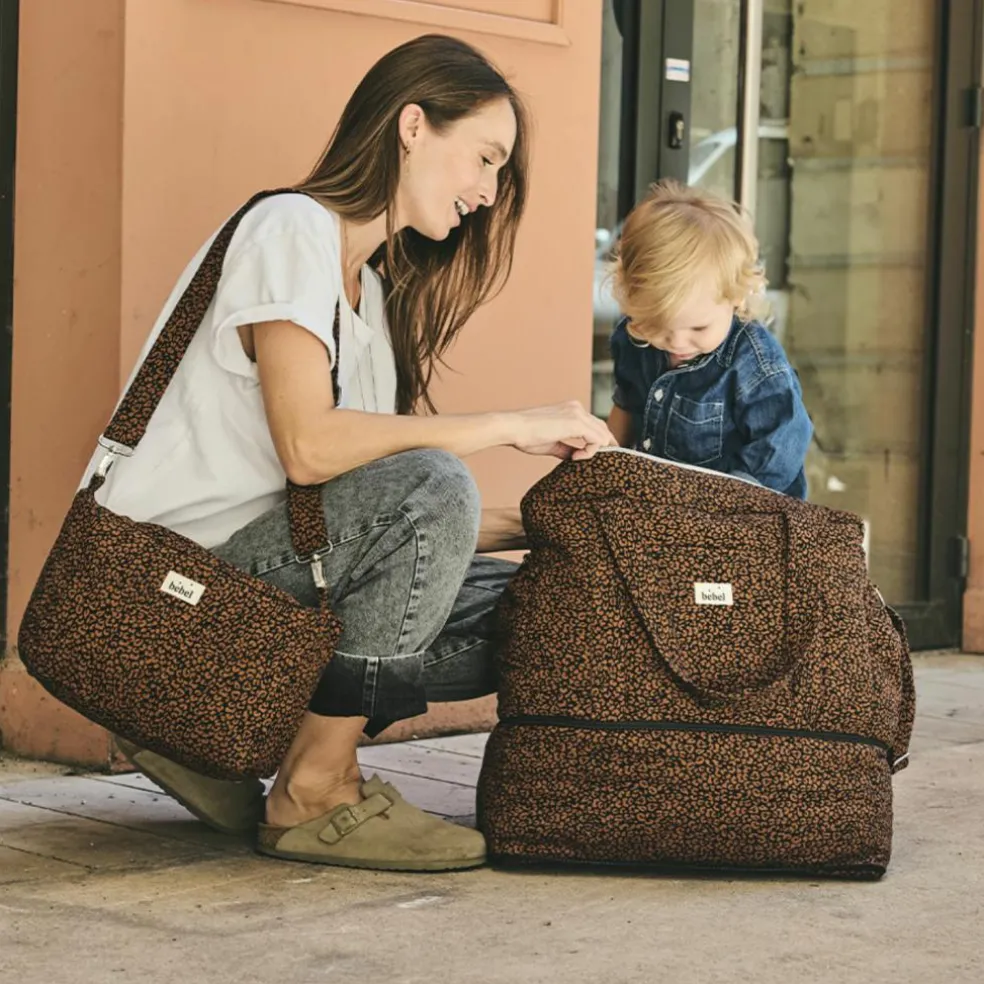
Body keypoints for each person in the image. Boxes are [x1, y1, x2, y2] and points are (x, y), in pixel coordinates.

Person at [94, 34, 615, 871]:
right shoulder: (291, 228)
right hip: (162, 598)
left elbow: (381, 527)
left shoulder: (368, 291)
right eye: (485, 157)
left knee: (538, 599)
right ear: (413, 126)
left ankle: (200, 734)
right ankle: (315, 788)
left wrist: (558, 525)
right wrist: (508, 423)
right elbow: (310, 449)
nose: (489, 192)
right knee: (435, 482)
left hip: (253, 582)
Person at [607, 180, 812, 498]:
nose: (677, 342)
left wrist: (722, 508)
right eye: (657, 326)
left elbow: (780, 448)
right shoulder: (633, 339)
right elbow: (627, 406)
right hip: (662, 504)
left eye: (698, 329)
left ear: (737, 299)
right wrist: (605, 463)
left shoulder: (756, 367)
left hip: (743, 511)